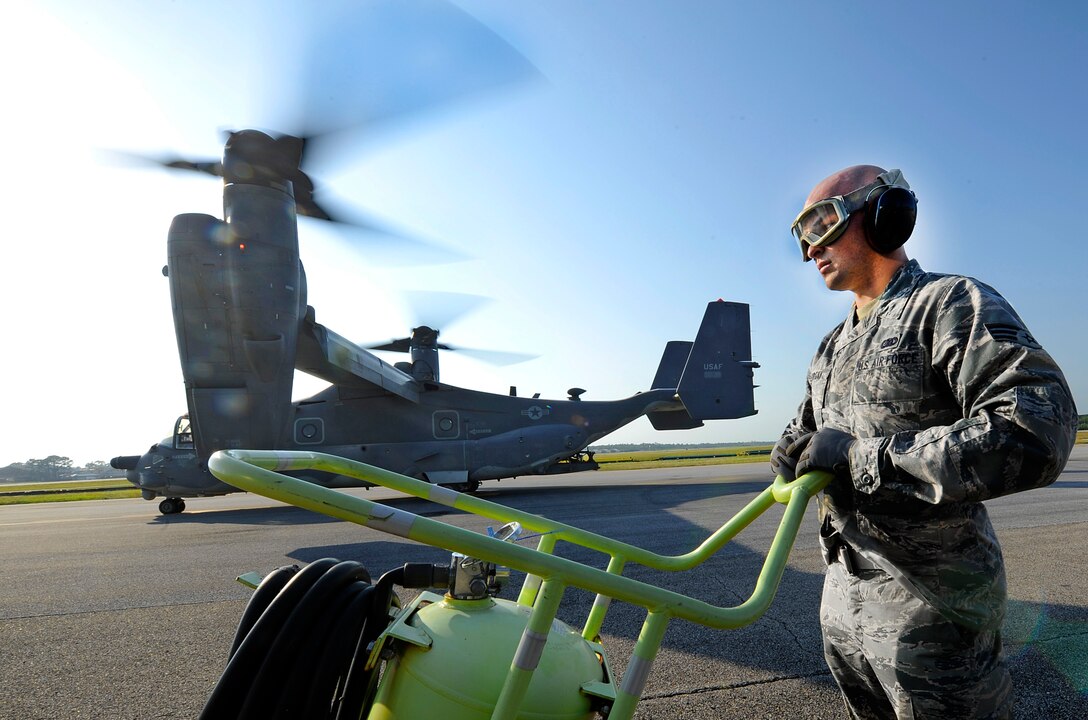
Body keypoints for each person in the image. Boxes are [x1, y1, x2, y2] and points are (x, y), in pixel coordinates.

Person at [770, 165, 1077, 719]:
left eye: (822, 224)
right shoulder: (832, 346)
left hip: (935, 608)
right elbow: (811, 432)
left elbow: (1036, 427)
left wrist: (861, 460)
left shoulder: (949, 304)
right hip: (843, 603)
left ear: (886, 216)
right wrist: (794, 449)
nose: (810, 249)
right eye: (801, 236)